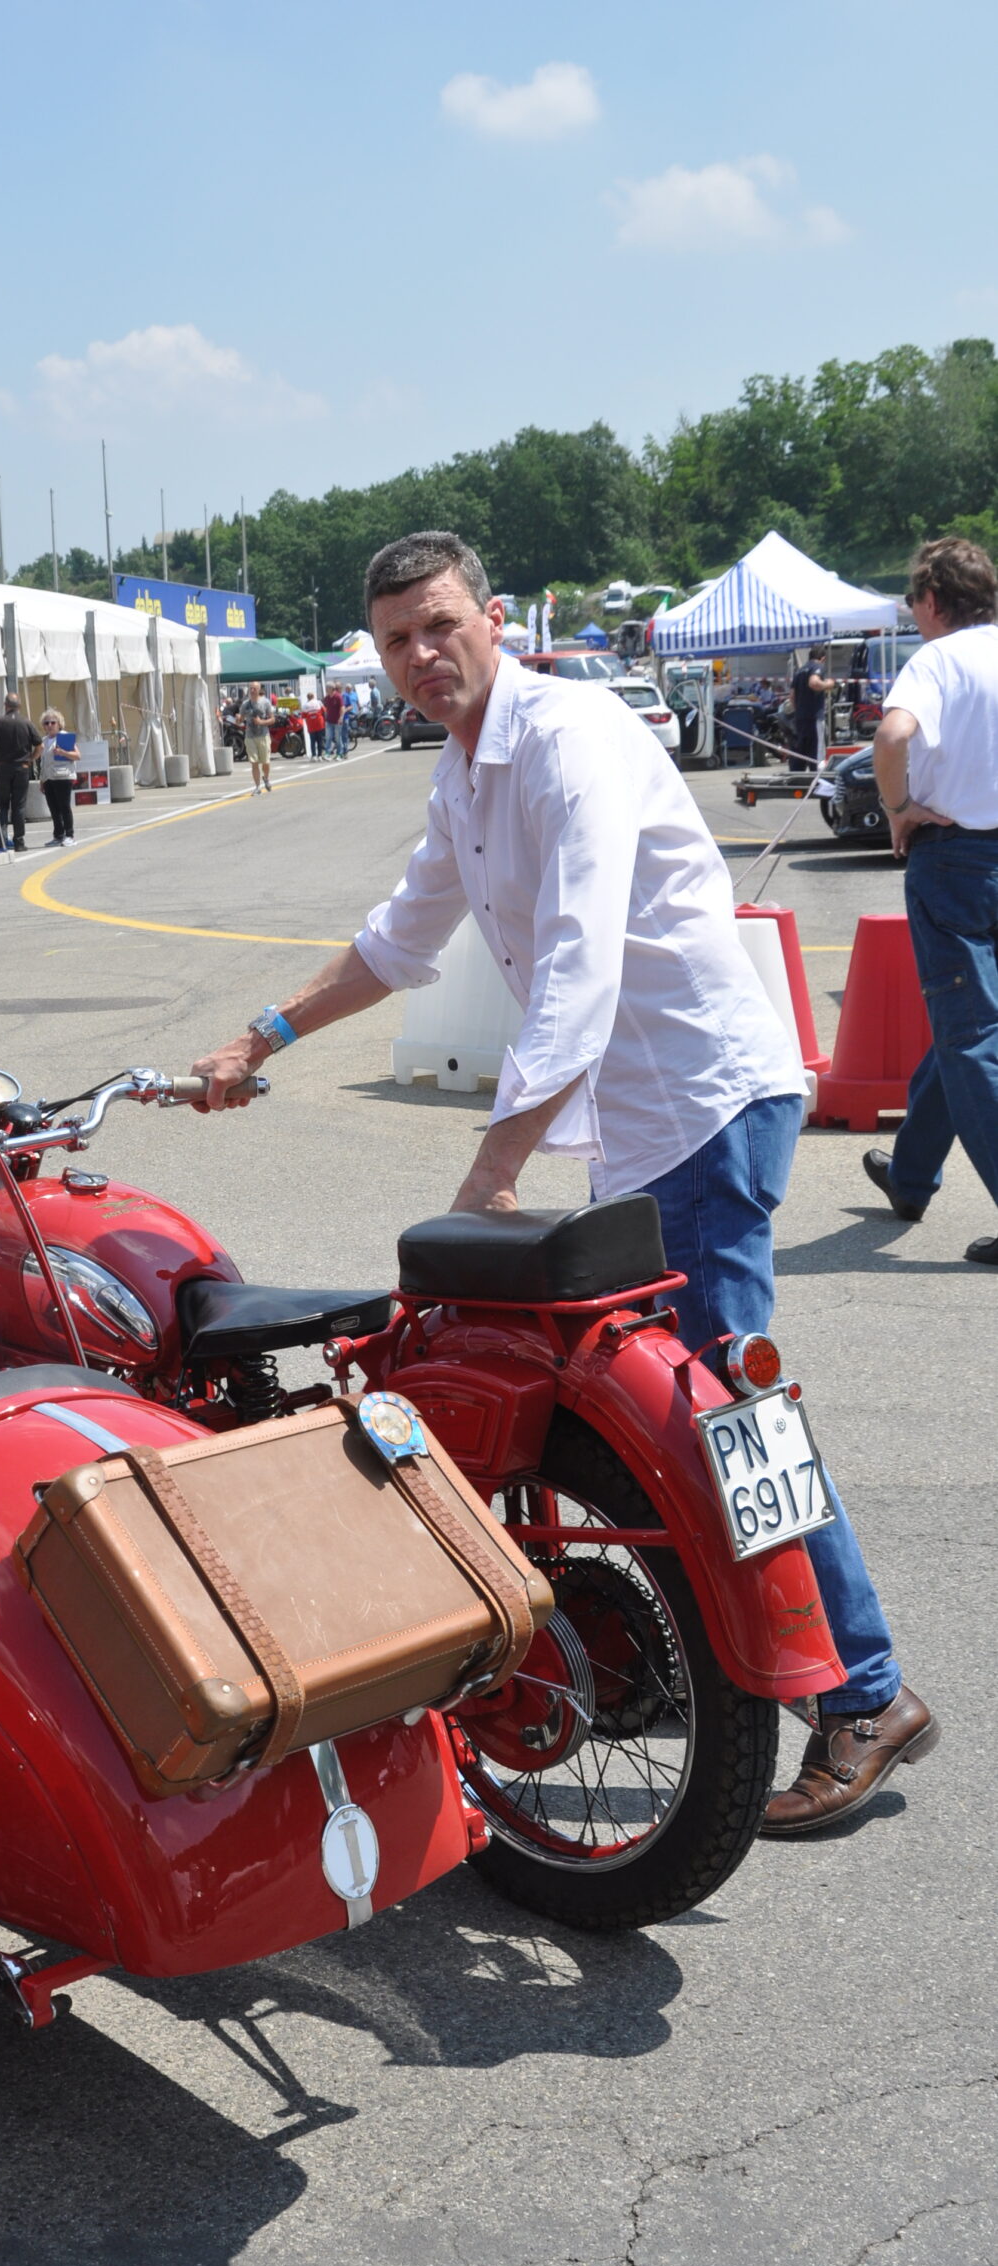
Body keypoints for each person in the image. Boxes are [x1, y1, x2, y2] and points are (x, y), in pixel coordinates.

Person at [190, 528, 934, 1840]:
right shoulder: (465, 780)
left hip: (707, 1103)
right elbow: (399, 940)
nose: (421, 657)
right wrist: (265, 1037)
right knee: (673, 1422)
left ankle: (864, 1691)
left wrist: (488, 1177)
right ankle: (696, 1660)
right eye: (396, 639)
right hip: (642, 1132)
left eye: (440, 626)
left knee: (723, 1422)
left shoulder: (570, 739)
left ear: (493, 619)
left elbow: (585, 964)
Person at [864, 535, 998, 1262]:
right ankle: (912, 1173)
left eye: (914, 599)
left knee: (971, 1034)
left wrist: (899, 805)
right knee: (963, 1028)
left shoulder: (937, 659)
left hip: (955, 862)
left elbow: (893, 733)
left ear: (933, 600)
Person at [0, 692, 39, 852]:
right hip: (22, 768)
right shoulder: (26, 722)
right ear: (19, 706)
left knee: (2, 805)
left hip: (2, 767)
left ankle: (1, 840)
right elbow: (39, 745)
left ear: (5, 705)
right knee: (18, 806)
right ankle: (19, 841)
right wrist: (31, 758)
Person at [37, 709, 78, 846]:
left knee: (64, 807)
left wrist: (63, 752)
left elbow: (77, 756)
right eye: (46, 723)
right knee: (53, 808)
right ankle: (58, 835)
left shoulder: (64, 737)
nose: (49, 725)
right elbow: (43, 763)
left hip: (63, 776)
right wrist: (42, 780)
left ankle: (69, 834)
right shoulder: (44, 741)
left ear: (59, 724)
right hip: (49, 778)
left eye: (52, 722)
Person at [790, 644, 831, 773]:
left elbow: (792, 696)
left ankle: (797, 778)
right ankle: (818, 781)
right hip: (814, 717)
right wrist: (828, 684)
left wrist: (800, 709)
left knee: (801, 752)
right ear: (823, 658)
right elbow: (814, 683)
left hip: (801, 718)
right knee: (817, 753)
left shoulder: (800, 671)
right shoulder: (818, 666)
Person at [241, 683, 275, 795]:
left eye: (254, 688)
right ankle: (257, 787)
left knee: (265, 762)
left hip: (263, 736)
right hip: (250, 736)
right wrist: (238, 719)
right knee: (254, 762)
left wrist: (262, 722)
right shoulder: (245, 704)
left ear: (259, 689)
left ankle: (266, 778)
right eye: (250, 688)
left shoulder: (265, 702)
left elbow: (272, 719)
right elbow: (240, 719)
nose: (252, 690)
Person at [322, 680, 348, 758]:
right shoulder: (326, 698)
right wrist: (325, 717)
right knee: (328, 737)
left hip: (337, 721)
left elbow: (342, 708)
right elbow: (325, 708)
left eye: (327, 688)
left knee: (337, 738)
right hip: (329, 721)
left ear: (331, 688)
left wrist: (341, 717)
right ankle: (327, 753)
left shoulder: (338, 696)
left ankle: (339, 753)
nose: (326, 689)